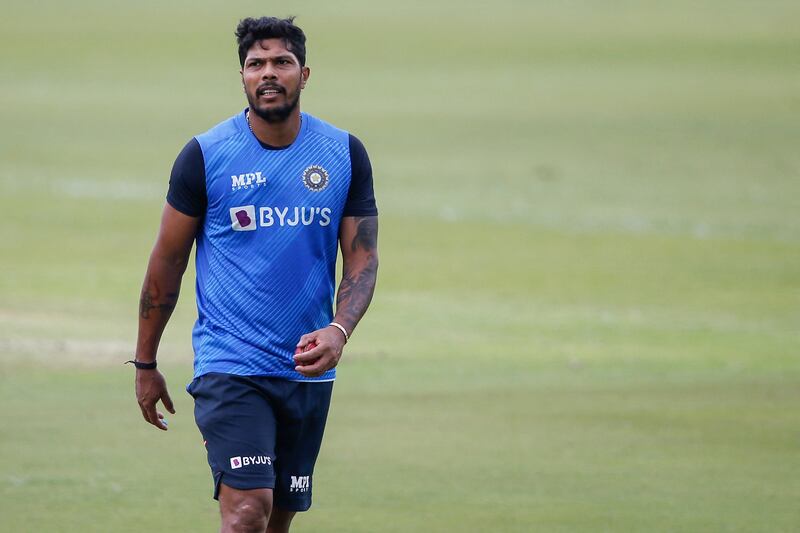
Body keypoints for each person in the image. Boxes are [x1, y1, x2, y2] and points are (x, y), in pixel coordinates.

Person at [131, 16, 379, 533]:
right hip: (231, 365)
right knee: (246, 513)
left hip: (306, 368)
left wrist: (339, 330)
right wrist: (146, 361)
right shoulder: (205, 156)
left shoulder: (343, 153)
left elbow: (361, 258)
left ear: (304, 74)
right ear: (242, 76)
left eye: (281, 63)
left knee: (275, 524)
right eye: (255, 64)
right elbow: (166, 263)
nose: (268, 73)